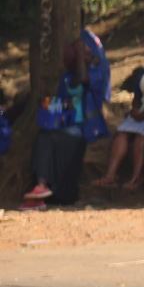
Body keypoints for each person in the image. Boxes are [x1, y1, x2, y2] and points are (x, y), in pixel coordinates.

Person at [23, 37, 109, 209]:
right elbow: (65, 97)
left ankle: (42, 187)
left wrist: (79, 53)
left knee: (46, 139)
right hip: (64, 125)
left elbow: (84, 80)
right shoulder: (66, 77)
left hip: (82, 128)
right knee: (45, 138)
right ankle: (42, 190)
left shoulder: (95, 71)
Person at [94, 36, 144, 190]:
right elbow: (138, 97)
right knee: (121, 134)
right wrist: (135, 110)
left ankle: (136, 178)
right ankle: (110, 175)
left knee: (140, 139)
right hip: (141, 112)